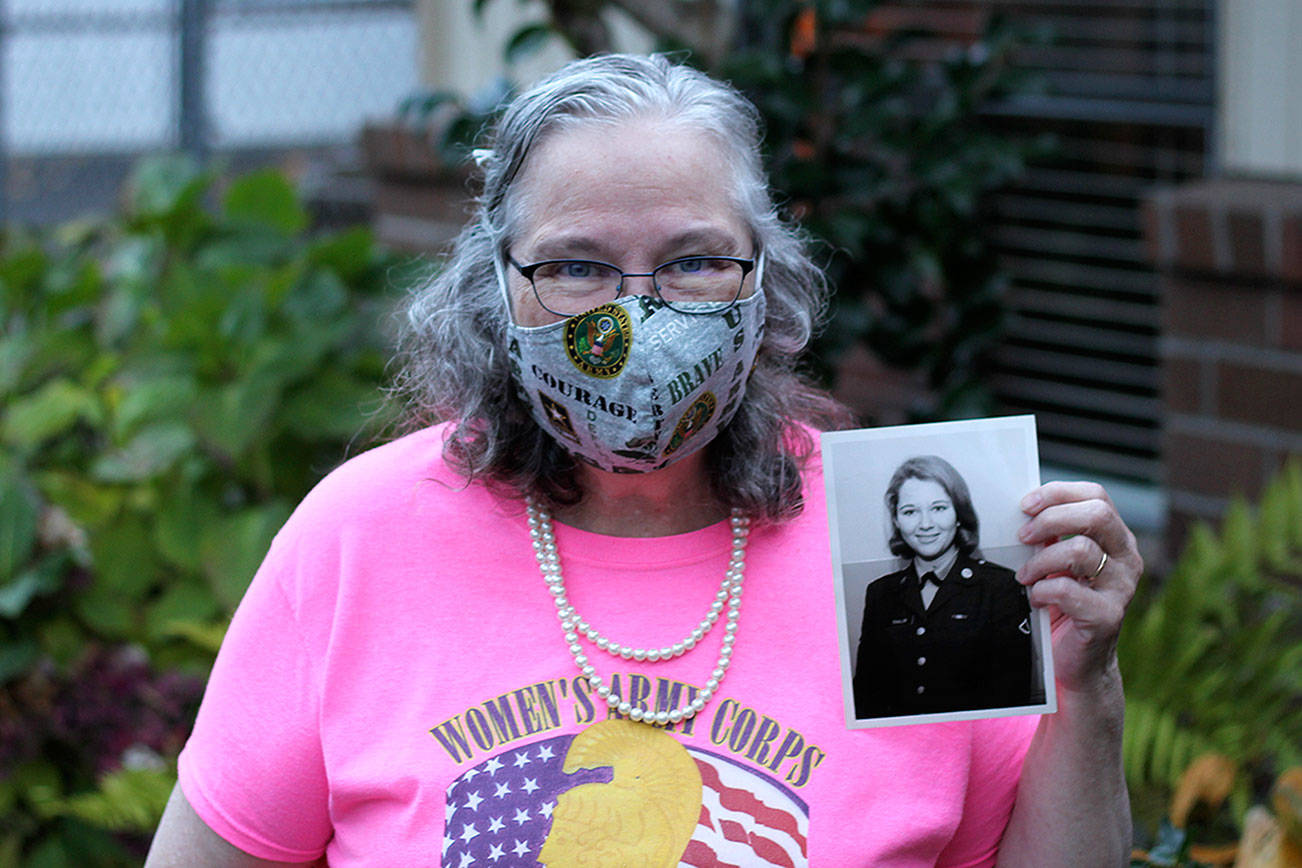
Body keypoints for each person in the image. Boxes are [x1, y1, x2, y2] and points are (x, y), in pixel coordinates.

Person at [147, 54, 1141, 866]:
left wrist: (1082, 679)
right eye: (577, 265)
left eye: (694, 260)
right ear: (496, 288)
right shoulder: (363, 536)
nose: (641, 318)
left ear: (767, 276)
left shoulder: (891, 536)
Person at [853, 455, 1038, 719]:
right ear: (896, 520)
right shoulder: (879, 593)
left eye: (938, 508)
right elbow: (866, 692)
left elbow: (1011, 694)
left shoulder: (1001, 586)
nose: (925, 524)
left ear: (959, 514)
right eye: (910, 512)